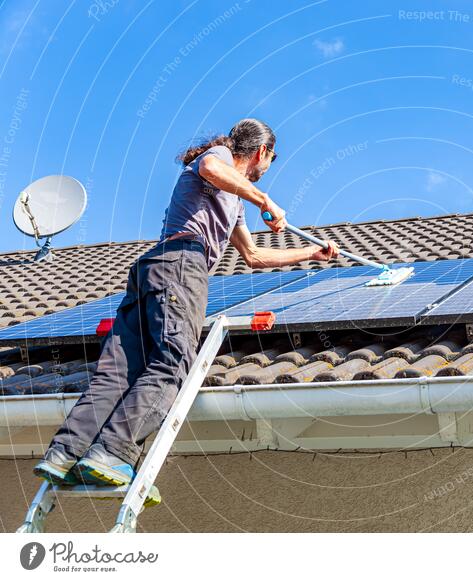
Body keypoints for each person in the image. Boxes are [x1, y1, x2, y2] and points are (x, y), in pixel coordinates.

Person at [33, 118, 339, 493]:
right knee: (173, 360)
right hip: (181, 265)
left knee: (119, 370)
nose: (268, 167)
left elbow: (254, 256)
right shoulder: (220, 157)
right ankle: (111, 453)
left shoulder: (235, 201)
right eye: (272, 159)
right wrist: (266, 199)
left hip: (153, 271)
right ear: (262, 152)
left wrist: (313, 253)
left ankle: (64, 453)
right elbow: (212, 168)